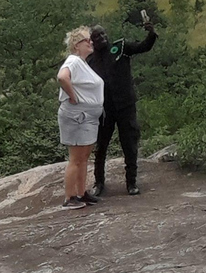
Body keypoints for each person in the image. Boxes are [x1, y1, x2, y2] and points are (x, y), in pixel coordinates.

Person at [87, 21, 157, 196]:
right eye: (97, 36)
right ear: (92, 41)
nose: (101, 38)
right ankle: (99, 183)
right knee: (101, 146)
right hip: (104, 110)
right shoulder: (90, 61)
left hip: (125, 105)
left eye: (103, 34)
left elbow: (144, 47)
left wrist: (151, 34)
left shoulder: (121, 48)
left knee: (129, 144)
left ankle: (131, 182)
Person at [57, 26, 105, 210]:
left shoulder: (82, 62)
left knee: (84, 157)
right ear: (77, 45)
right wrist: (73, 96)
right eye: (87, 40)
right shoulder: (73, 61)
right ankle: (69, 197)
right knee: (76, 158)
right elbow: (62, 77)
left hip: (87, 116)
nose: (91, 42)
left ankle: (81, 192)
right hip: (78, 115)